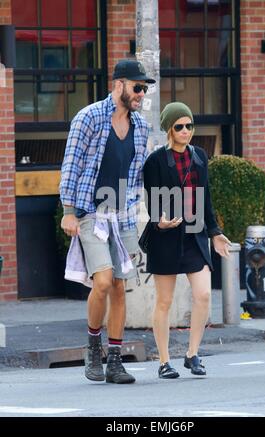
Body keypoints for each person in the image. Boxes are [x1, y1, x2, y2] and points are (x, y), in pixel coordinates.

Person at [59, 59, 155, 384]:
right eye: (137, 87)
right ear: (119, 84)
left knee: (119, 286)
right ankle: (92, 346)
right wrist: (68, 211)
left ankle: (115, 360)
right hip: (89, 212)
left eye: (144, 88)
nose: (142, 93)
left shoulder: (140, 127)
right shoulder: (89, 118)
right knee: (101, 282)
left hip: (122, 214)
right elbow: (71, 165)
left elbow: (137, 173)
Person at [143, 102, 231, 379]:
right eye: (179, 126)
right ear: (169, 129)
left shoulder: (200, 156)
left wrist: (215, 232)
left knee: (204, 294)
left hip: (195, 235)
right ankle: (164, 361)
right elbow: (152, 199)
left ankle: (192, 354)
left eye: (189, 126)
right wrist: (160, 221)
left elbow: (206, 199)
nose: (185, 131)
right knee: (164, 301)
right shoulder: (155, 161)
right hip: (166, 237)